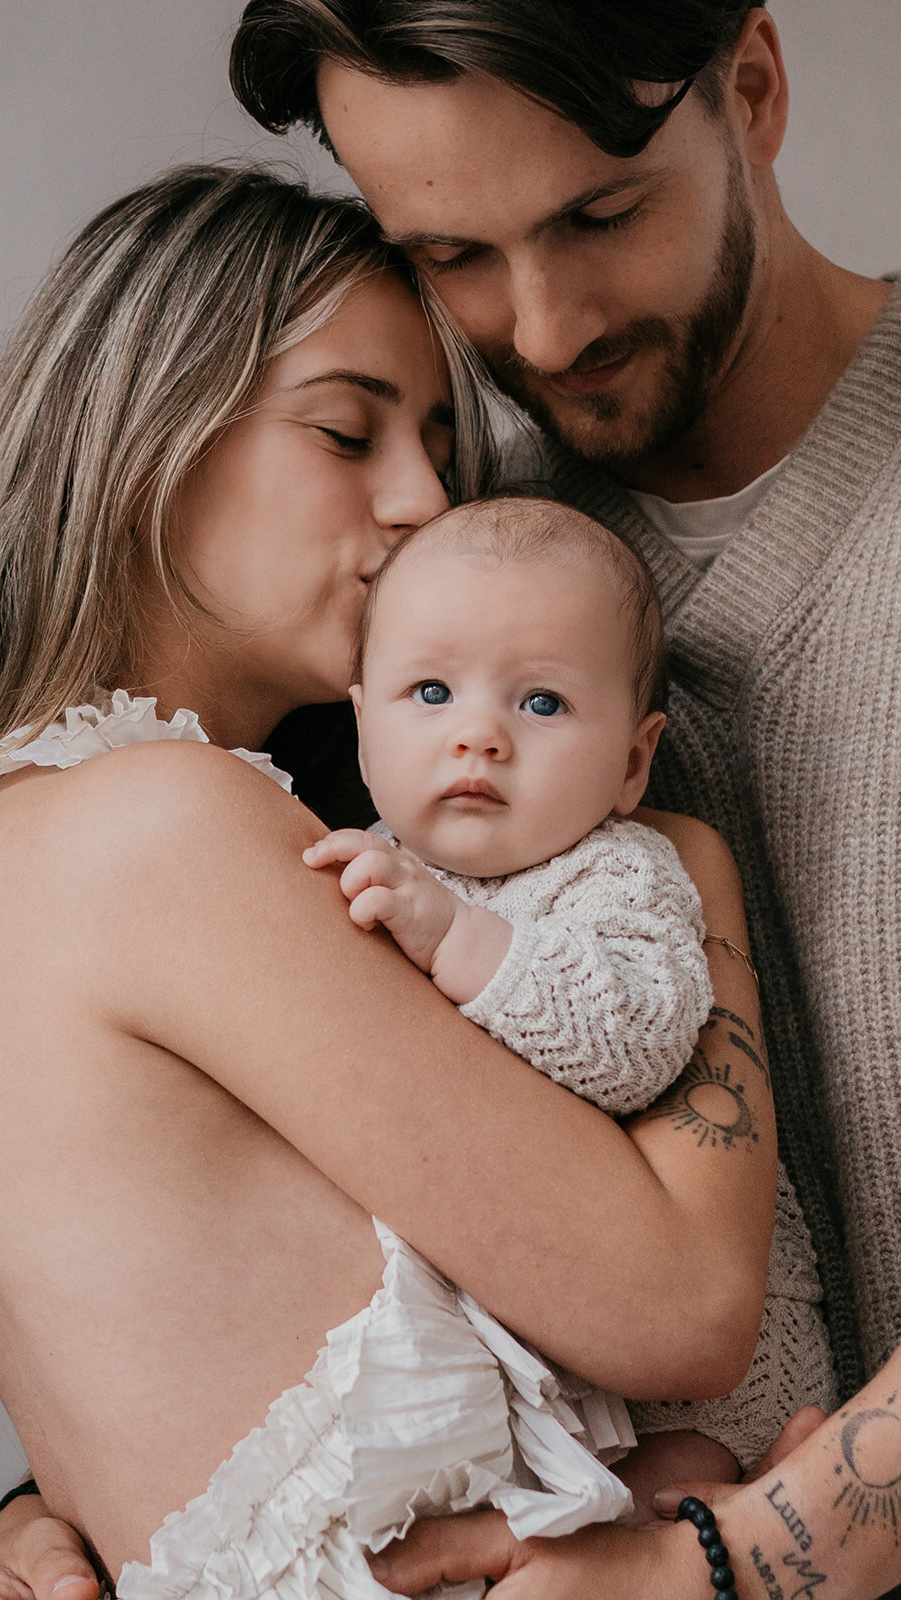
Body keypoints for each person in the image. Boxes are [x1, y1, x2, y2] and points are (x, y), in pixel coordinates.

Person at [0, 166, 766, 1600]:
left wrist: (18, 1519)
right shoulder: (157, 830)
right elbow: (683, 1308)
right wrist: (681, 868)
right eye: (347, 431)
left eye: (440, 447)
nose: (419, 503)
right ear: (143, 438)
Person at [222, 2, 901, 1597]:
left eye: (597, 215)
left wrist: (729, 1567)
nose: (535, 327)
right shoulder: (422, 558)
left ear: (749, 84)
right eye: (449, 256)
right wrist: (85, 1495)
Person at [305, 492, 835, 1514]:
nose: (478, 737)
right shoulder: (369, 866)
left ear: (631, 763)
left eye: (539, 703)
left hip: (694, 1409)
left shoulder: (620, 875)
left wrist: (456, 939)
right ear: (359, 712)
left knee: (658, 1503)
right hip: (538, 1353)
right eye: (428, 691)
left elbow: (632, 1040)